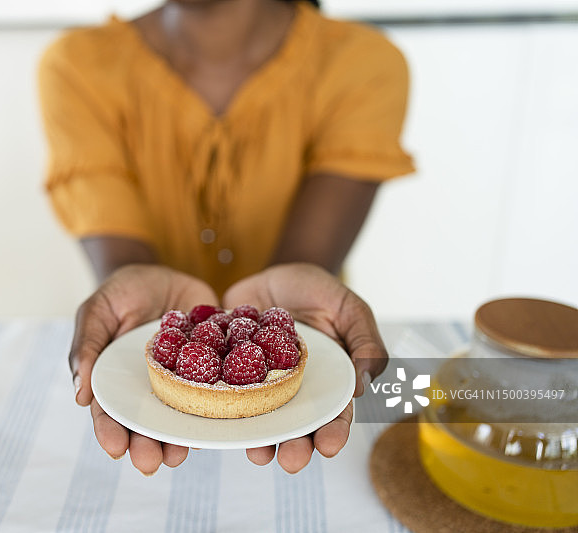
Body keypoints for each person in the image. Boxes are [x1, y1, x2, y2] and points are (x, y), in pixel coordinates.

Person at [38, 0, 414, 474]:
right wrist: (134, 284)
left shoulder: (364, 63)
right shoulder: (78, 65)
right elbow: (123, 256)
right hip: (144, 393)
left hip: (311, 366)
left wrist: (289, 297)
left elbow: (307, 255)